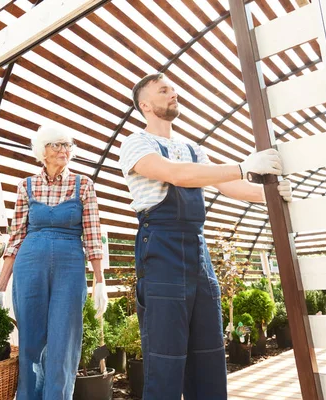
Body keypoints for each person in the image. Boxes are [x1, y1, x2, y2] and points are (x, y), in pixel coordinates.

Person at [119, 73, 292, 400]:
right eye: (163, 90)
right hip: (161, 254)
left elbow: (227, 186)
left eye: (173, 87)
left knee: (209, 359)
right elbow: (176, 175)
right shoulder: (135, 143)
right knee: (166, 362)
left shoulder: (191, 148)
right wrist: (243, 165)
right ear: (145, 105)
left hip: (199, 258)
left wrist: (270, 194)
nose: (173, 92)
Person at [0, 125, 109, 400]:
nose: (63, 151)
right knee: (30, 339)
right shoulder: (26, 186)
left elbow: (93, 235)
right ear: (42, 151)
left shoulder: (84, 185)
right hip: (29, 265)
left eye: (67, 145)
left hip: (69, 268)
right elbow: (16, 237)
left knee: (64, 340)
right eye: (56, 145)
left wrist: (100, 281)